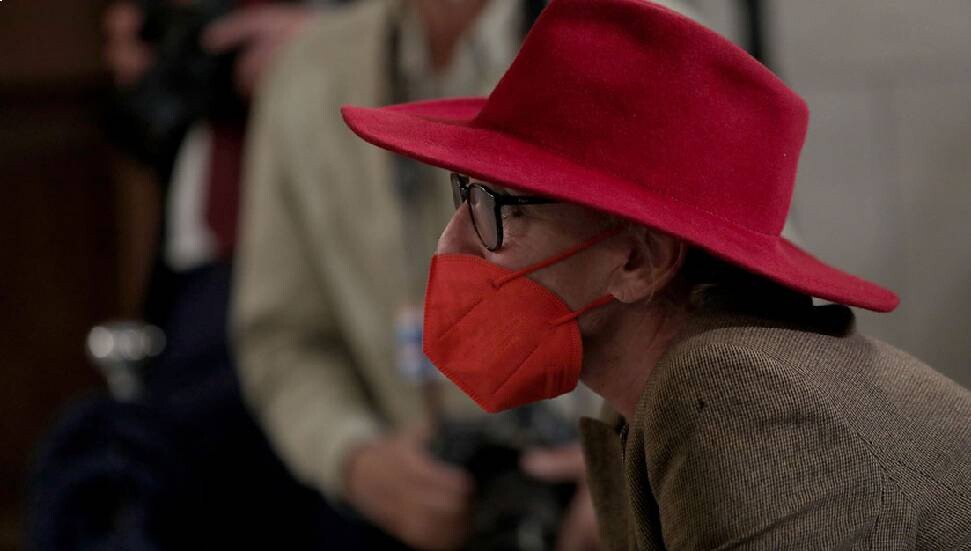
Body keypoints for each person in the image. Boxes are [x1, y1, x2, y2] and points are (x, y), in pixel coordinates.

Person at [340, 0, 971, 548]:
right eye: (465, 193)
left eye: (499, 208)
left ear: (639, 262)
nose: (453, 241)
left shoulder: (730, 395)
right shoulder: (655, 398)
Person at [232, 1, 607, 549]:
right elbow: (283, 338)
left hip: (609, 508)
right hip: (411, 516)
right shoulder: (307, 74)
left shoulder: (639, 36)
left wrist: (626, 463)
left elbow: (712, 309)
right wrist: (356, 459)